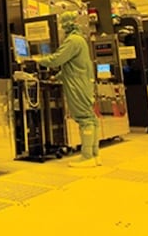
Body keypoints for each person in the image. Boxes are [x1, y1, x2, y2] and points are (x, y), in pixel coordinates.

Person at [35, 11, 100, 168]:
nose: (62, 28)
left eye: (63, 24)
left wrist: (38, 59)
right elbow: (72, 66)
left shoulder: (72, 41)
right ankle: (94, 155)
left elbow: (57, 59)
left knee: (84, 119)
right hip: (83, 82)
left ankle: (87, 157)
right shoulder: (80, 40)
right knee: (90, 119)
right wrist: (56, 77)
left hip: (77, 85)